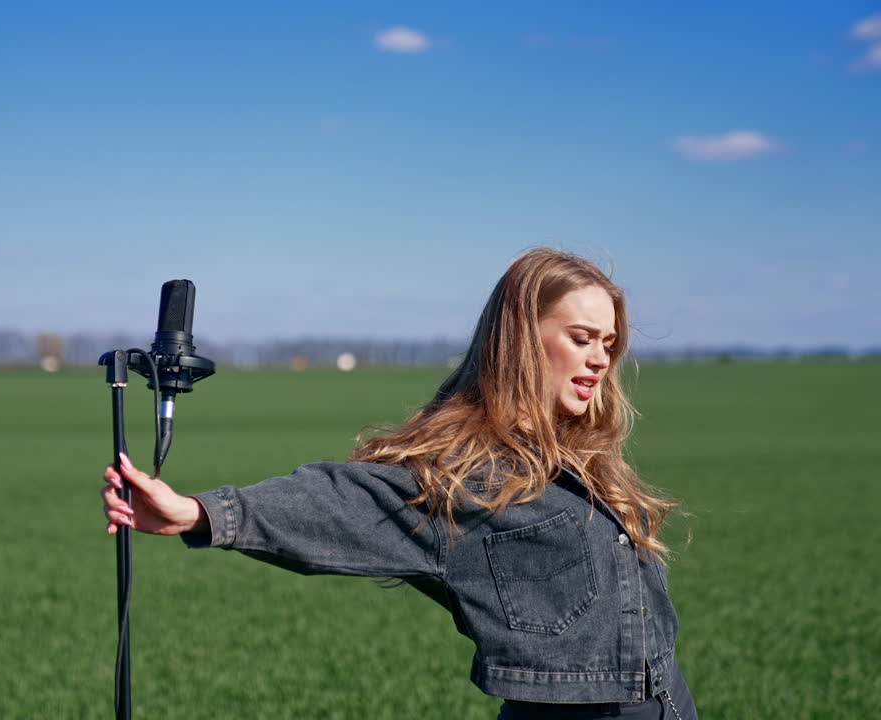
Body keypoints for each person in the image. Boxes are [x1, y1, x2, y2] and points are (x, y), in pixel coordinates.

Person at [100, 248, 697, 719]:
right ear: (521, 338)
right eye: (581, 338)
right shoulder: (467, 474)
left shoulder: (584, 457)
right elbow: (342, 501)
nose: (600, 359)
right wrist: (199, 513)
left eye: (609, 343)